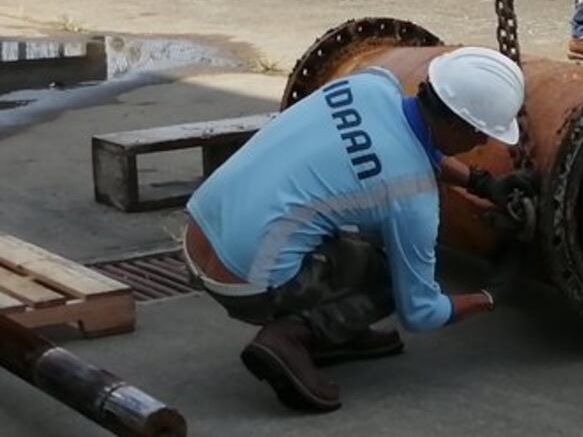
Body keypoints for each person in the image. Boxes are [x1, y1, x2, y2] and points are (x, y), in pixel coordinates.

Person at [182, 47, 536, 412]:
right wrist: (492, 295)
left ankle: (337, 332)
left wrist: (480, 182)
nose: (482, 143)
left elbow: (408, 139)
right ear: (456, 125)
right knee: (388, 276)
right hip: (247, 282)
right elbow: (420, 312)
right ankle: (292, 338)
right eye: (479, 134)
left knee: (334, 215)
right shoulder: (412, 196)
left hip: (200, 230)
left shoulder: (370, 84)